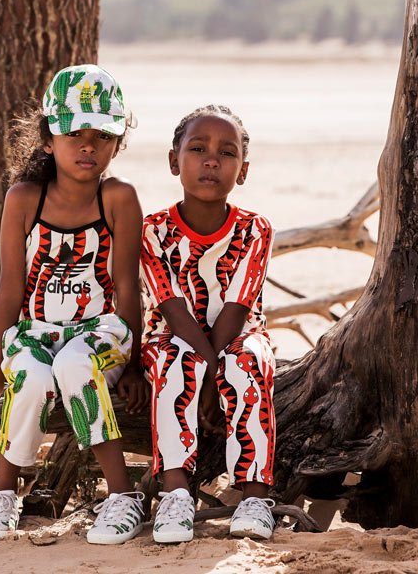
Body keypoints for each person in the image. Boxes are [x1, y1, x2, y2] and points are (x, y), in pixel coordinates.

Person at [0, 64, 150, 545]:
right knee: (35, 374)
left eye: (103, 135)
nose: (89, 146)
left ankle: (122, 495)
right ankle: (3, 490)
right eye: (75, 134)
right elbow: (9, 290)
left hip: (103, 332)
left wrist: (134, 365)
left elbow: (129, 288)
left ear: (117, 143)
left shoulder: (118, 197)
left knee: (75, 363)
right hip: (38, 331)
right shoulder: (24, 199)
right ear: (48, 139)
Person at [141, 105, 276, 543]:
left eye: (226, 152)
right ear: (173, 161)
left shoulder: (254, 230)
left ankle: (254, 497)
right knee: (174, 359)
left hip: (237, 336)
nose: (211, 160)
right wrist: (204, 375)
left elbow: (236, 310)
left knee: (250, 362)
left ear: (243, 170)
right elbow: (174, 312)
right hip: (171, 335)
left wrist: (215, 372)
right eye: (197, 149)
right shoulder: (153, 231)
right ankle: (177, 494)